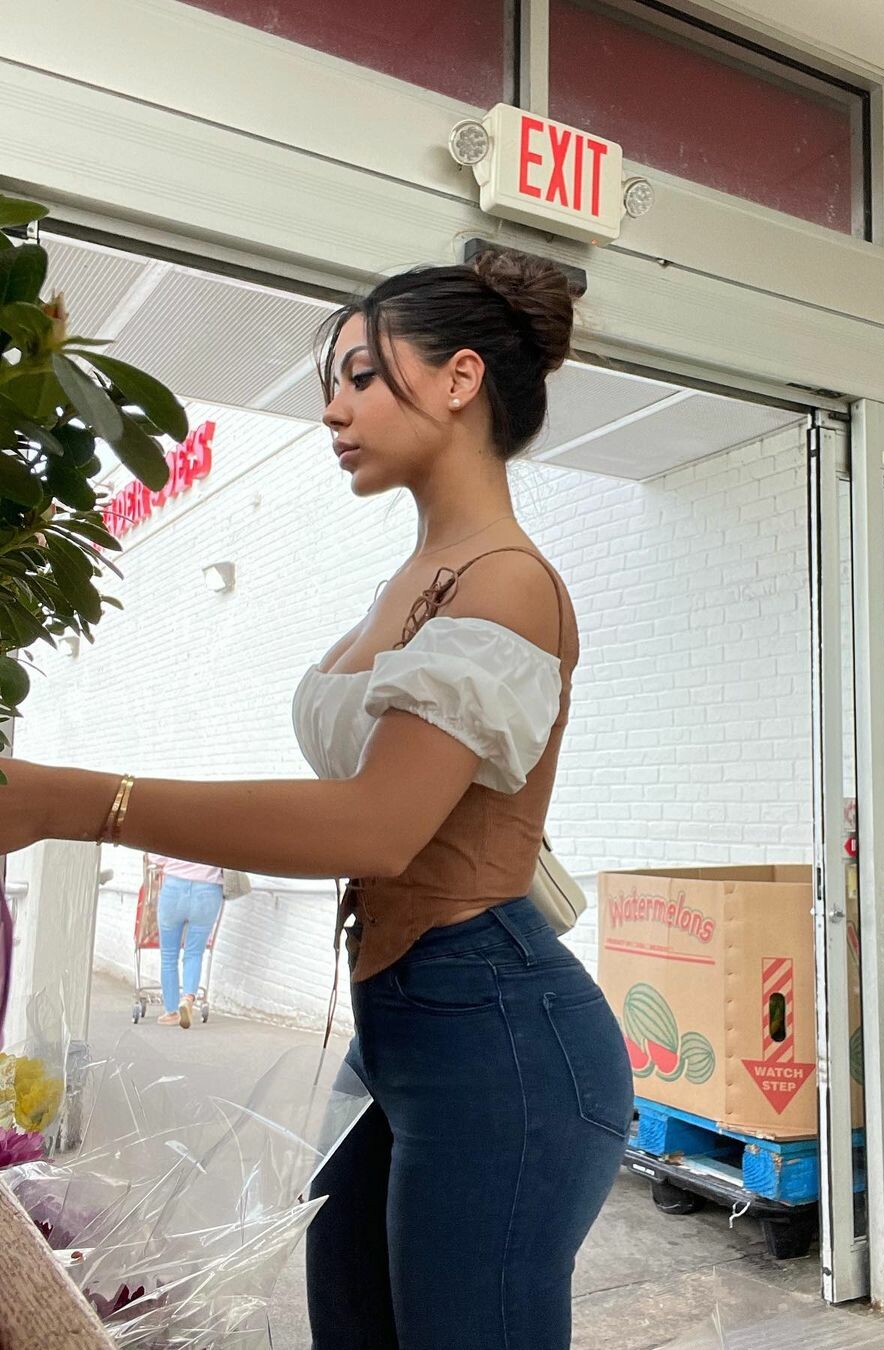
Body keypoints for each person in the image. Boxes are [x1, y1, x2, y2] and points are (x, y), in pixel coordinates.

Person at [0, 248, 634, 1350]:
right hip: (401, 1023)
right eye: (331, 384)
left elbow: (378, 827)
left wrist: (79, 801)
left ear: (461, 379)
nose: (332, 408)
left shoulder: (506, 581)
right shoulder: (416, 576)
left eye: (361, 376)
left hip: (497, 1029)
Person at [146, 853, 223, 1027]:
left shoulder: (176, 833)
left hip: (174, 887)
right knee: (194, 953)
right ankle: (188, 998)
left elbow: (155, 857)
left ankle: (171, 1012)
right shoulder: (221, 833)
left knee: (168, 956)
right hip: (208, 890)